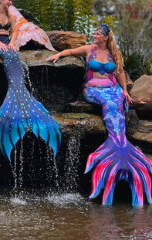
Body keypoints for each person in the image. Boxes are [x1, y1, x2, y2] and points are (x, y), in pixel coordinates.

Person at [46, 24, 152, 206]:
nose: (94, 36)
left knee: (117, 100)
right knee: (109, 102)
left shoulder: (115, 52)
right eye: (94, 33)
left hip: (112, 89)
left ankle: (121, 146)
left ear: (105, 37)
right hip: (93, 91)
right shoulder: (89, 49)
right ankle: (116, 146)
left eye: (97, 34)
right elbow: (71, 51)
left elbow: (119, 73)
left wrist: (125, 91)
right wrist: (57, 54)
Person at [0, 0, 61, 160]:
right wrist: (0, 44)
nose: (10, 3)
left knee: (14, 53)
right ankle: (17, 90)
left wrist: (11, 43)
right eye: (9, 0)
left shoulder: (10, 16)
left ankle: (18, 91)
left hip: (6, 43)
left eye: (11, 0)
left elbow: (14, 33)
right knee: (9, 55)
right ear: (2, 0)